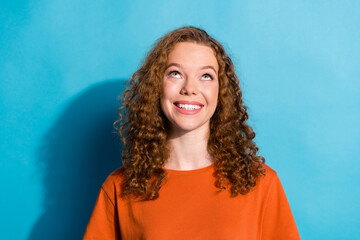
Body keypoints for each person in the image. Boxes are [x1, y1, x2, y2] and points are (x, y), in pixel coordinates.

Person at [83, 26, 301, 240]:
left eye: (205, 76)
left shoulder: (260, 182)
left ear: (221, 91)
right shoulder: (121, 186)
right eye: (175, 73)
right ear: (157, 86)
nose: (190, 88)